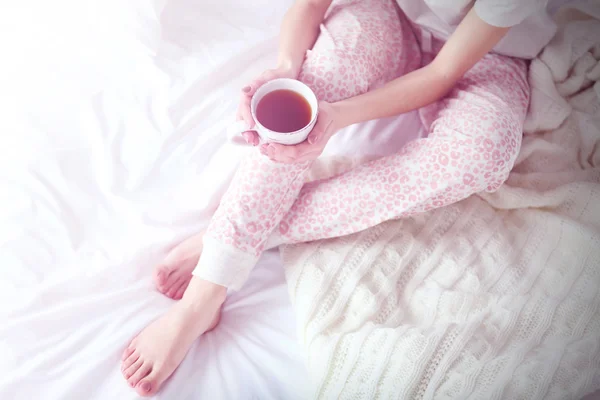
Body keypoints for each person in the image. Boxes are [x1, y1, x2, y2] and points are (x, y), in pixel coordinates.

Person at [120, 0, 557, 396]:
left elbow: (441, 74)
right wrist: (287, 70)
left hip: (492, 55)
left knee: (479, 156)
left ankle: (233, 236)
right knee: (301, 97)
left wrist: (336, 118)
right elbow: (311, 4)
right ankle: (202, 299)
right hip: (393, 14)